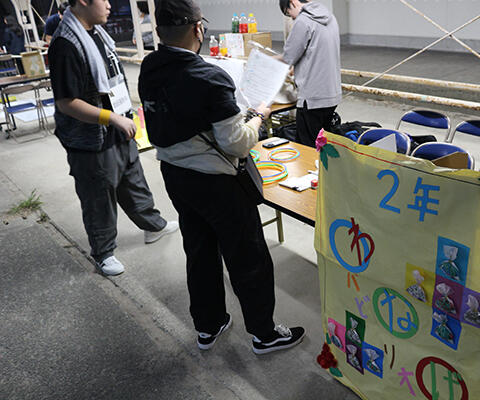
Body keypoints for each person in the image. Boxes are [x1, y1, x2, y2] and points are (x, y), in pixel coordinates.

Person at [138, 0, 305, 354]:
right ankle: (264, 334)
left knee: (199, 250)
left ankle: (208, 325)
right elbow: (237, 143)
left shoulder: (149, 68)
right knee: (247, 257)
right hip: (216, 182)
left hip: (176, 177)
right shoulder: (208, 76)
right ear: (198, 29)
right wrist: (258, 116)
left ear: (159, 31)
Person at [48, 0, 178, 276]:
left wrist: (123, 117)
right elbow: (66, 102)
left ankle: (153, 226)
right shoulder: (65, 44)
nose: (109, 5)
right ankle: (103, 253)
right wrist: (112, 118)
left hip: (118, 127)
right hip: (91, 138)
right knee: (99, 196)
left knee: (134, 182)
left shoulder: (96, 33)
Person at [277, 0, 341, 147]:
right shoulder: (330, 17)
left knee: (307, 148)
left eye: (289, 13)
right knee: (324, 146)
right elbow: (316, 52)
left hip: (312, 99)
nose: (292, 18)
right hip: (332, 95)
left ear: (293, 2)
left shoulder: (303, 20)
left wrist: (263, 59)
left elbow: (288, 57)